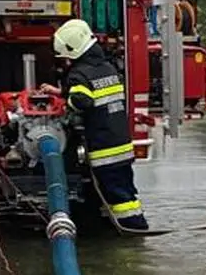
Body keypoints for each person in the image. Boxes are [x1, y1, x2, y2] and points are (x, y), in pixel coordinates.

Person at [42, 18, 148, 231]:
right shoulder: (106, 67)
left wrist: (68, 103)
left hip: (104, 148)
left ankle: (133, 229)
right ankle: (130, 225)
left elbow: (83, 100)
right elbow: (94, 92)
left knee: (118, 195)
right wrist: (61, 92)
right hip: (121, 142)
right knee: (125, 190)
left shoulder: (78, 74)